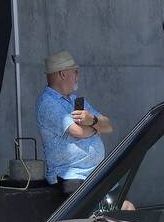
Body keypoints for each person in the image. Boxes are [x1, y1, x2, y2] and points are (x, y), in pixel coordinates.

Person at [36, 50, 112, 194]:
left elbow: (108, 125)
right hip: (71, 177)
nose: (78, 76)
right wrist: (96, 126)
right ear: (63, 74)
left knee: (126, 205)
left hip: (95, 173)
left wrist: (92, 120)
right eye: (75, 71)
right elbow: (79, 132)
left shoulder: (74, 99)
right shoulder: (48, 103)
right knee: (114, 206)